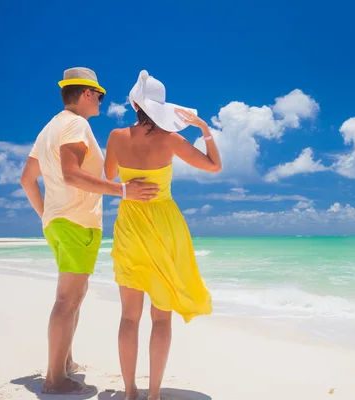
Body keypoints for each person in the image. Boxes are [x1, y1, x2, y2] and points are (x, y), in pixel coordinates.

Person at [20, 67, 159, 395]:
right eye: (99, 94)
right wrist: (123, 191)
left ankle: (65, 363)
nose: (101, 99)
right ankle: (55, 378)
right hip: (76, 223)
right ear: (84, 94)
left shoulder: (49, 129)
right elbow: (71, 174)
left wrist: (47, 216)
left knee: (72, 295)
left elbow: (27, 179)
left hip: (59, 223)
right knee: (68, 299)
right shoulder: (76, 125)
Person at [104, 70, 222, 400]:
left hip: (129, 224)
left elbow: (110, 174)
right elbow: (214, 166)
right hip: (164, 226)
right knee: (161, 318)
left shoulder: (115, 136)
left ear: (134, 104)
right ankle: (154, 394)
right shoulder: (171, 138)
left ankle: (130, 393)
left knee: (129, 316)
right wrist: (204, 129)